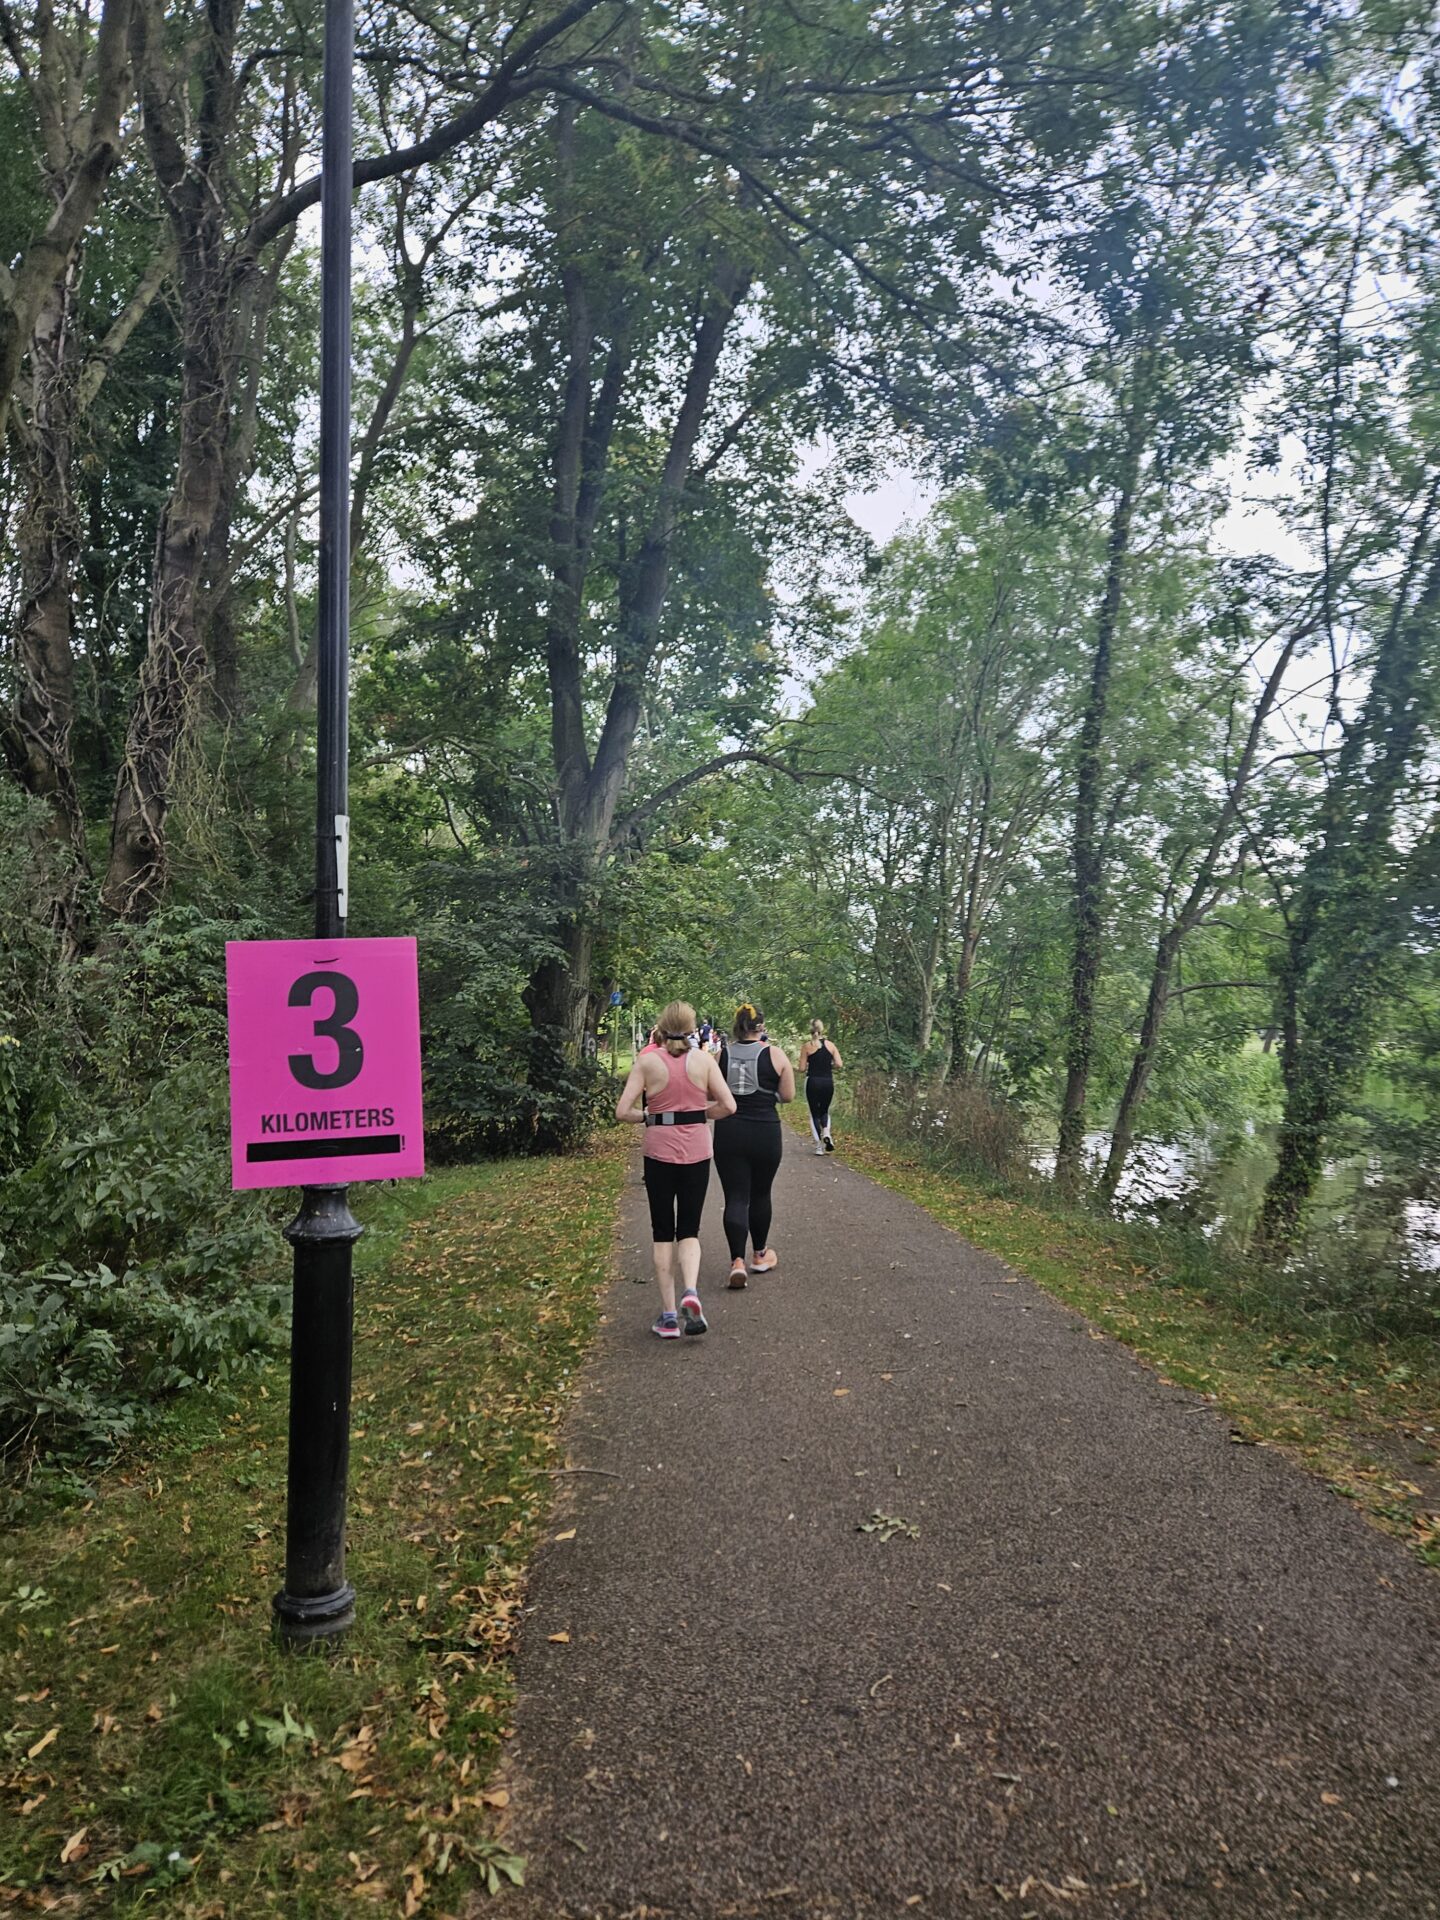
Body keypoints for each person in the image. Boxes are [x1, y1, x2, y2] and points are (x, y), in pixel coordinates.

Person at [616, 1000, 735, 1338]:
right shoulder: (704, 1061)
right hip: (697, 1152)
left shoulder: (647, 1062)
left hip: (659, 1153)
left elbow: (622, 1111)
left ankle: (669, 1316)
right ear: (693, 1026)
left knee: (662, 1231)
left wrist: (650, 1117)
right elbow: (729, 1105)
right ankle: (691, 1292)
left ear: (661, 1026)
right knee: (689, 1229)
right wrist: (700, 1114)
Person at [713, 1002, 796, 1289]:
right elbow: (788, 1096)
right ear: (761, 1026)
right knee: (761, 1194)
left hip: (729, 1131)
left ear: (737, 1026)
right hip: (765, 1132)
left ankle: (736, 1261)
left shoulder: (721, 1055)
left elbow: (710, 1090)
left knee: (736, 1196)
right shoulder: (775, 1055)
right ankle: (760, 1255)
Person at [798, 1019, 843, 1154]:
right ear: (822, 1030)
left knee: (814, 1113)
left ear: (810, 1030)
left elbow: (801, 1068)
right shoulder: (831, 1045)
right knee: (824, 1111)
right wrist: (828, 1066)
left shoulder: (807, 1046)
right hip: (828, 1082)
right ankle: (827, 1132)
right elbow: (839, 1064)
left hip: (812, 1081)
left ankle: (819, 1147)